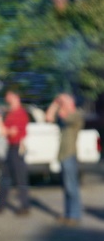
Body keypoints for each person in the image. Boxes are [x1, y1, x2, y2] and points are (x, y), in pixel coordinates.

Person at [45, 93, 84, 226]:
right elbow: (49, 117)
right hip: (63, 155)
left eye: (65, 102)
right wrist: (56, 102)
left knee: (72, 186)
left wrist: (62, 102)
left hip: (70, 154)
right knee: (67, 187)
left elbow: (63, 114)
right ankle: (68, 214)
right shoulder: (66, 115)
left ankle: (74, 215)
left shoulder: (76, 115)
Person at [0, 89, 31, 214]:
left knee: (20, 178)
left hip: (17, 147)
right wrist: (0, 122)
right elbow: (4, 131)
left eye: (9, 95)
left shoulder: (20, 113)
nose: (7, 98)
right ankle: (0, 205)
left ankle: (25, 206)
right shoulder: (10, 113)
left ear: (15, 96)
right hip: (11, 147)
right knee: (5, 178)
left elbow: (10, 132)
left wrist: (0, 123)